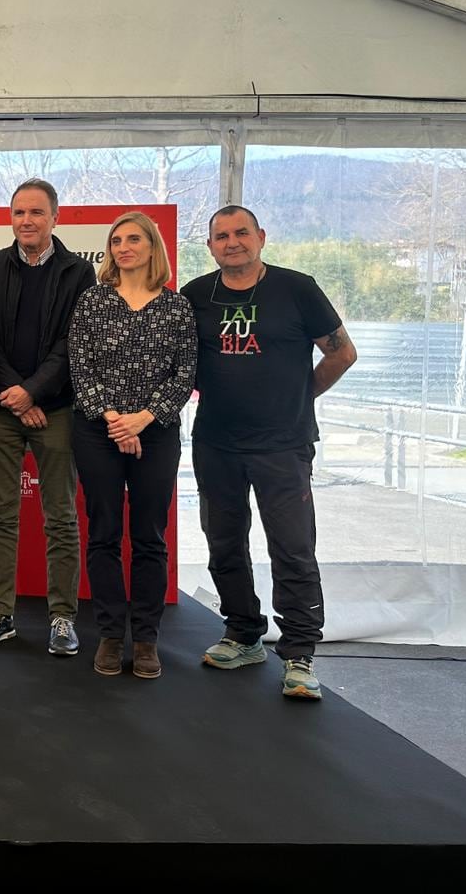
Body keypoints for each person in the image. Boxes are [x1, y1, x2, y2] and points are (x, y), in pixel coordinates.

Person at [181, 205, 357, 700]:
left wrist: (301, 398)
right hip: (216, 443)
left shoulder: (296, 288)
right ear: (210, 245)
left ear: (261, 237)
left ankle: (299, 653)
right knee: (223, 542)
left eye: (241, 233)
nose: (232, 242)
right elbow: (180, 362)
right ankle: (243, 633)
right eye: (221, 236)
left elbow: (342, 352)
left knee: (293, 548)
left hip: (284, 446)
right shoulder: (196, 295)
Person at [68, 212, 196, 680]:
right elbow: (80, 369)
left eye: (134, 239)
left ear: (151, 247)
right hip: (97, 430)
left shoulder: (175, 307)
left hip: (156, 433)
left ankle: (145, 638)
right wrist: (115, 422)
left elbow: (185, 375)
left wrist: (142, 420)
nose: (124, 247)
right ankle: (109, 634)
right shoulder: (92, 302)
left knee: (149, 538)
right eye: (116, 240)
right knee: (102, 534)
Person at [0, 178, 94, 656]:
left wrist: (35, 392)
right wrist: (16, 394)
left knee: (61, 515)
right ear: (11, 218)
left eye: (37, 213)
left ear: (55, 218)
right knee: (0, 513)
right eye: (19, 212)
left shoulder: (79, 273)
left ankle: (62, 617)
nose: (27, 221)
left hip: (58, 408)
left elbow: (72, 344)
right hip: (0, 405)